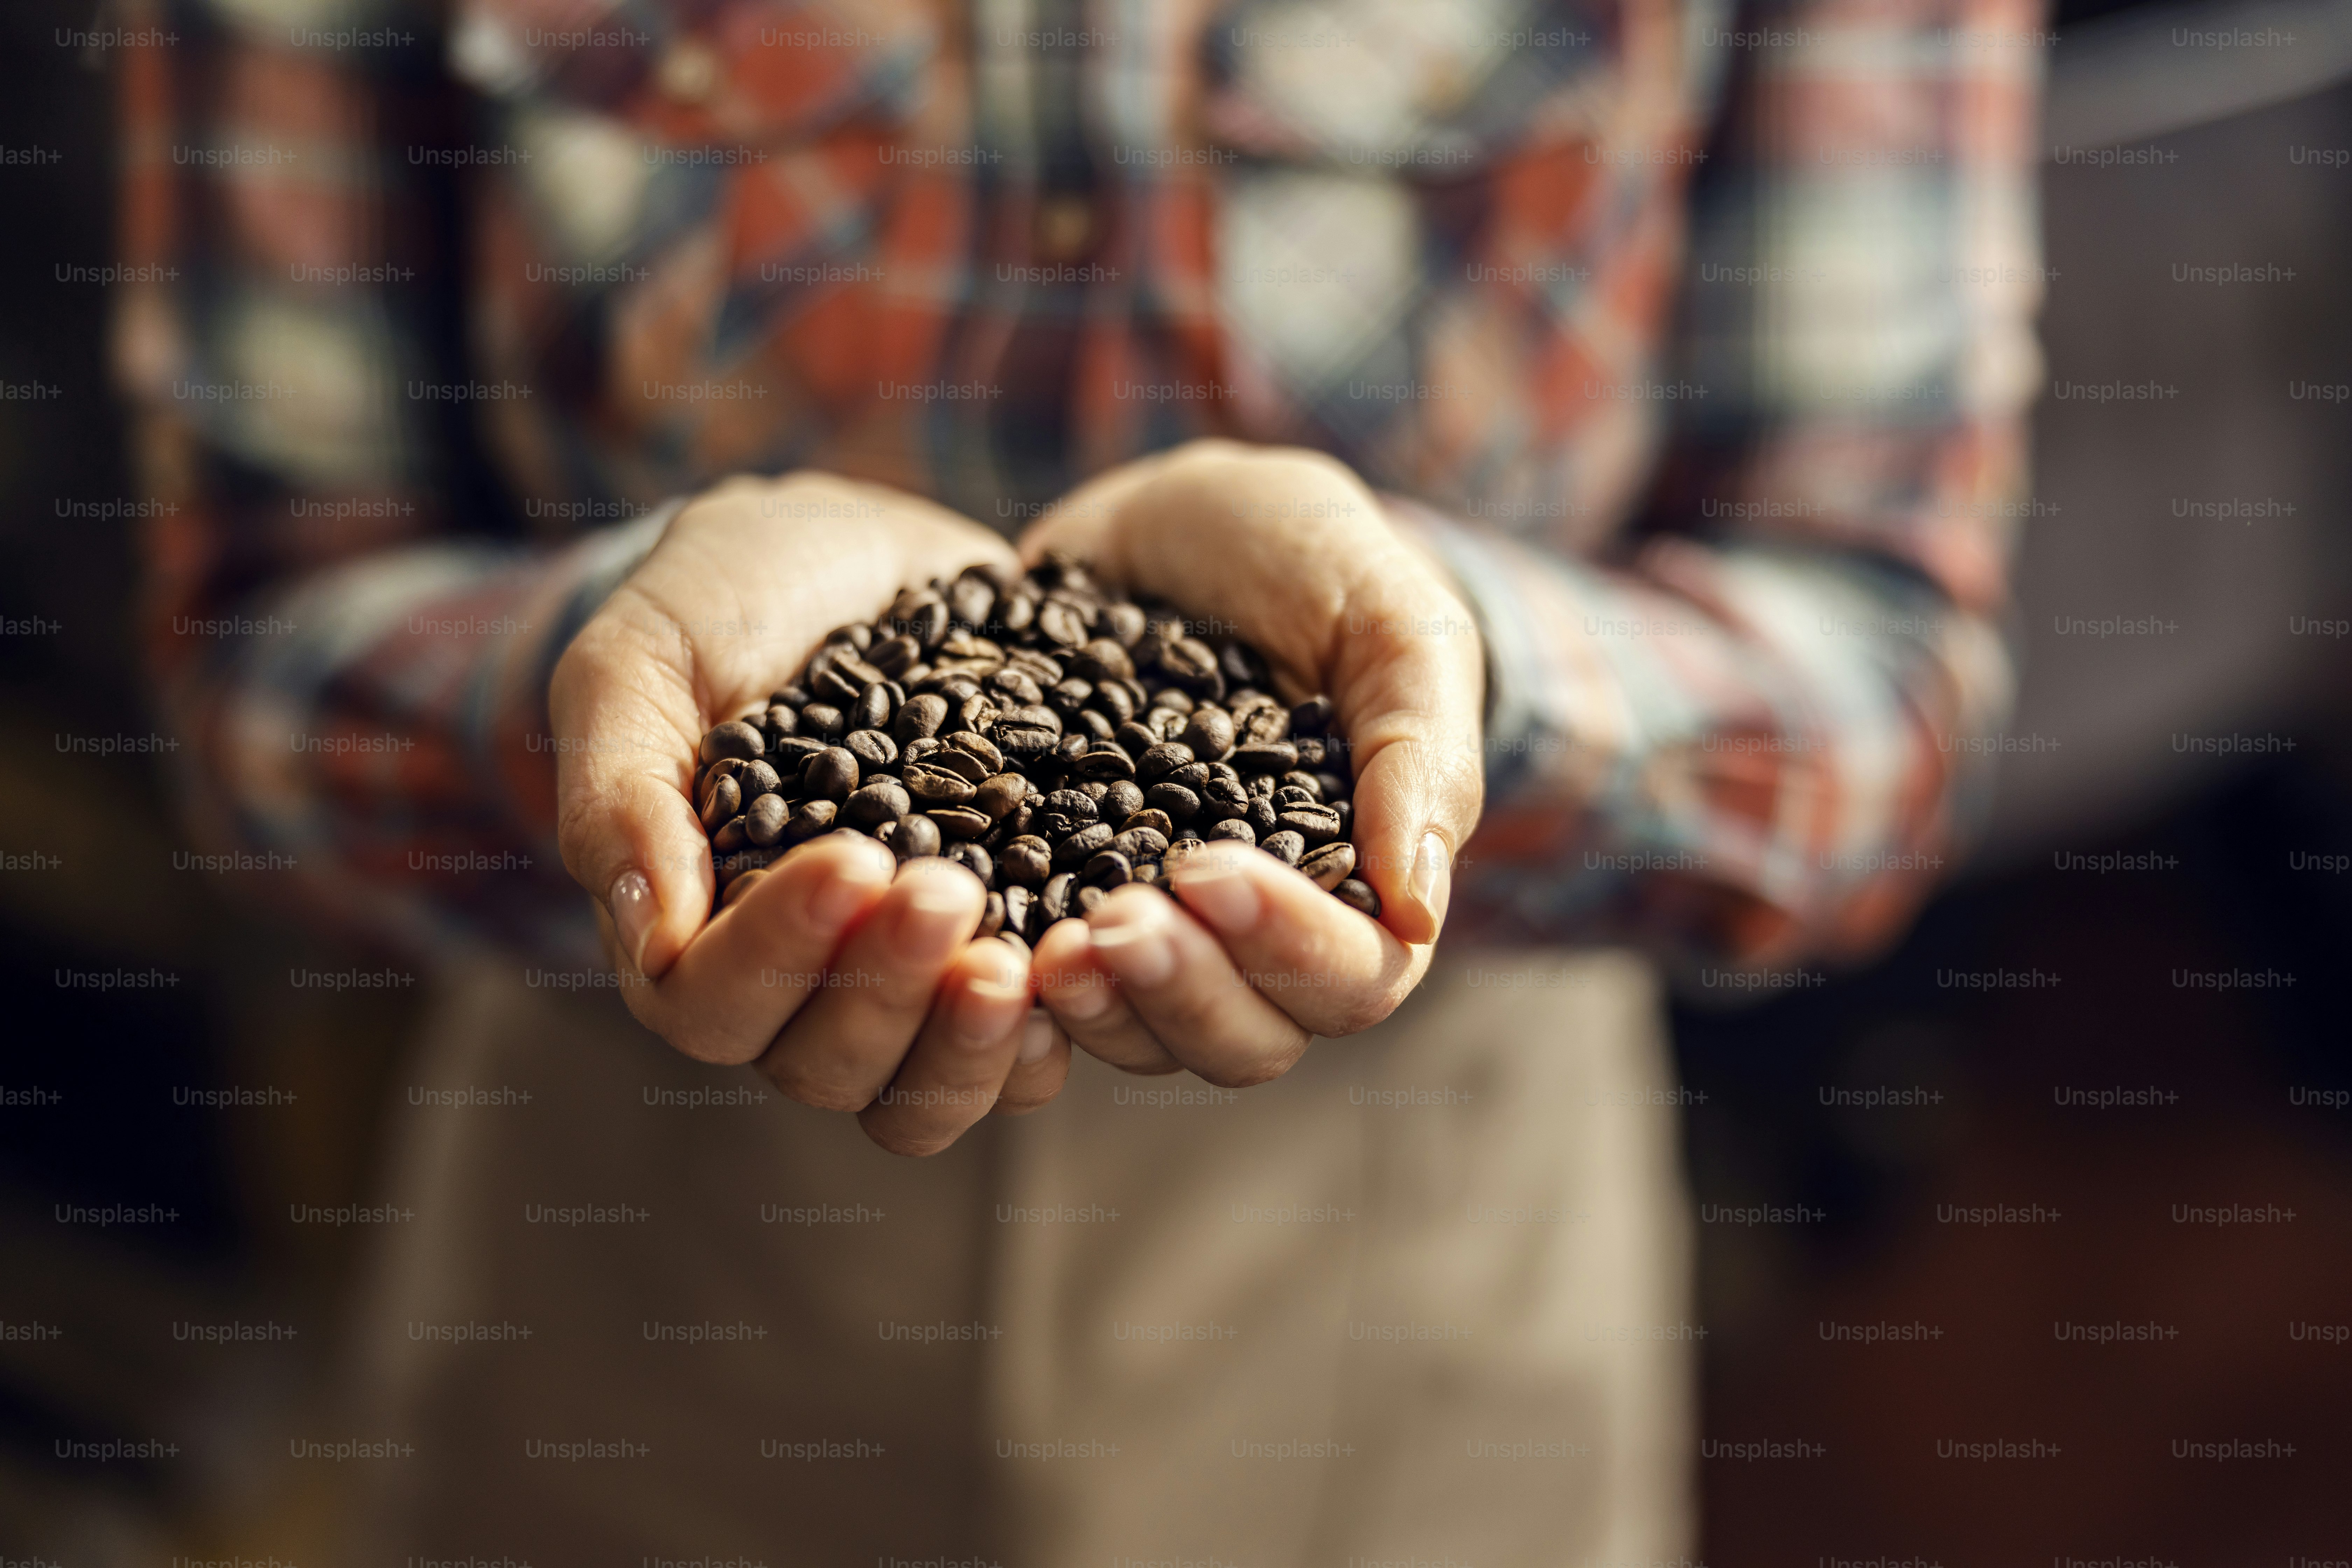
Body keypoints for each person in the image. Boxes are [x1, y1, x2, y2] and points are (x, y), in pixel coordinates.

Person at [116, 0, 2039, 1558]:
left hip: (1426, 1286)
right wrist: (605, 676)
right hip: (634, 1267)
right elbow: (253, 669)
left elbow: (1878, 692)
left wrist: (1437, 675)